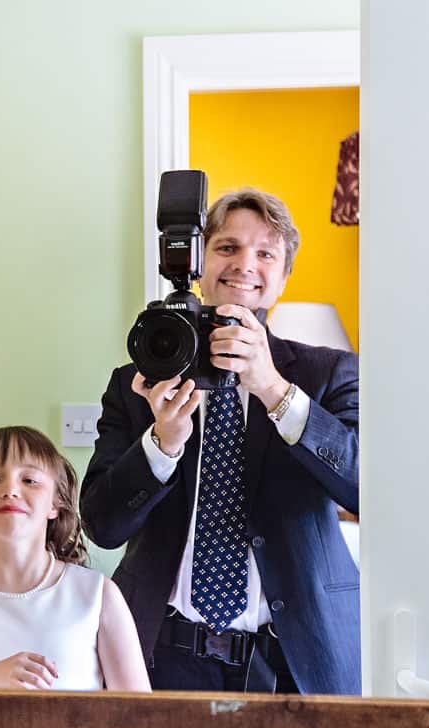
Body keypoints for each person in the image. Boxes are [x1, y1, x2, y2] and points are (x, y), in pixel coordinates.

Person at [81, 188, 359, 694]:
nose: (244, 264)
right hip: (162, 654)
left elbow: (367, 489)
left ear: (283, 276)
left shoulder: (326, 373)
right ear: (198, 262)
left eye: (265, 253)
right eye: (227, 247)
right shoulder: (139, 379)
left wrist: (275, 391)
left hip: (296, 658)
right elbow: (102, 525)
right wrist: (161, 444)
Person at [0, 426, 149, 691]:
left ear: (55, 504)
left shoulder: (98, 595)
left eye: (29, 480)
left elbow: (139, 717)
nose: (10, 490)